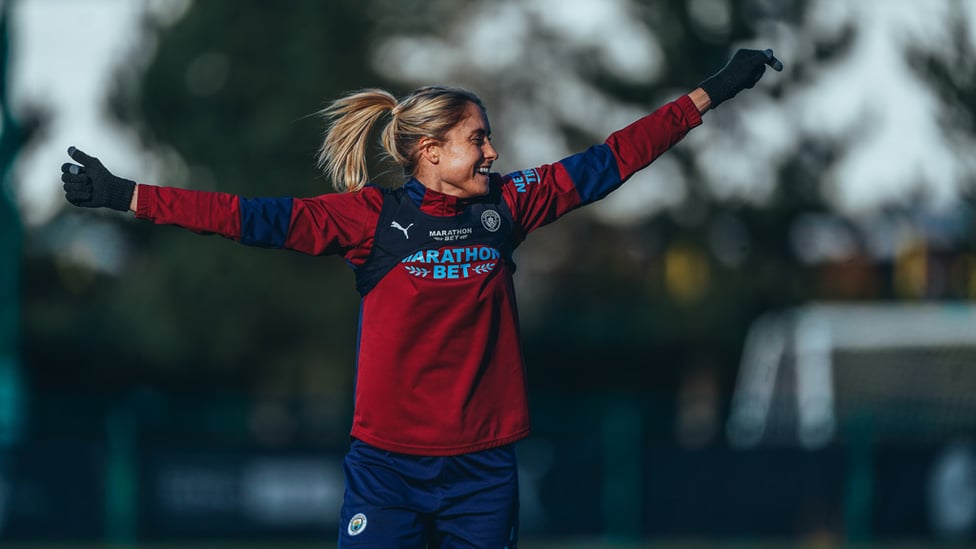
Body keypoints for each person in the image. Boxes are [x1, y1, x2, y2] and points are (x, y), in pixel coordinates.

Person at [61, 48, 782, 548]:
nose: (494, 152)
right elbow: (246, 217)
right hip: (387, 470)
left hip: (482, 470)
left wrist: (711, 91)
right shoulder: (369, 219)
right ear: (430, 152)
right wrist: (125, 193)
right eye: (479, 139)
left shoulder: (511, 206)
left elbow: (612, 159)